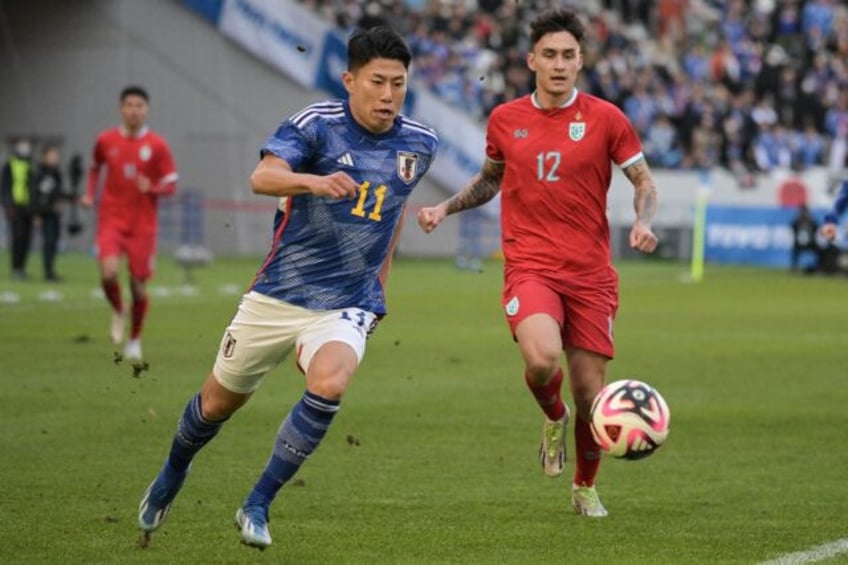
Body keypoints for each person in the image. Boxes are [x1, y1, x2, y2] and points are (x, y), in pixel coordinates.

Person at [137, 26, 438, 550]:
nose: (389, 95)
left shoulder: (420, 144)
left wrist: (379, 289)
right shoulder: (315, 126)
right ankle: (171, 473)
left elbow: (393, 213)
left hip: (346, 302)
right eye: (377, 83)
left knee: (331, 382)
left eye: (398, 84)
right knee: (214, 406)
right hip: (277, 295)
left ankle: (257, 503)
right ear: (349, 80)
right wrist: (314, 182)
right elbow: (263, 176)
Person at [417, 9, 659, 518]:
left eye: (568, 55)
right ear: (531, 61)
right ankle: (553, 416)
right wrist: (445, 206)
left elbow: (643, 180)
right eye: (549, 54)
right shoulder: (506, 119)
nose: (559, 64)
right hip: (531, 265)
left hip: (591, 274)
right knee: (543, 360)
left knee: (592, 394)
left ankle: (584, 487)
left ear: (580, 61)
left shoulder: (606, 118)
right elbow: (489, 180)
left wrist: (644, 221)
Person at [81, 86, 178, 360]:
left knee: (137, 286)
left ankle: (134, 339)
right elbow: (93, 167)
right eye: (129, 105)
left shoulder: (157, 146)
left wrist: (153, 188)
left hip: (143, 226)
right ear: (121, 109)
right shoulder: (106, 140)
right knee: (109, 273)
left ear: (146, 110)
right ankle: (118, 309)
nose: (134, 110)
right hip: (111, 219)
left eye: (139, 105)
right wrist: (90, 193)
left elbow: (170, 185)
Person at [1, 138, 35, 280]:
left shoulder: (30, 166)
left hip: (28, 208)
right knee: (17, 238)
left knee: (27, 239)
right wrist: (8, 205)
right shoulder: (9, 165)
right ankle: (15, 268)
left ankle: (22, 268)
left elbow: (33, 188)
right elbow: (5, 187)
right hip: (15, 207)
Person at [32, 145, 67, 281]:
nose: (54, 159)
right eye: (52, 156)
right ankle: (48, 272)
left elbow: (58, 192)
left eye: (56, 156)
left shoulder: (56, 173)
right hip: (44, 213)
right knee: (48, 241)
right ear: (45, 157)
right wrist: (36, 214)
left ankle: (51, 270)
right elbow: (35, 194)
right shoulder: (40, 173)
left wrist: (62, 202)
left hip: (54, 213)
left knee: (54, 242)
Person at [789, 204, 819, 273]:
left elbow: (816, 228)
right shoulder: (797, 221)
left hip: (811, 243)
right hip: (799, 244)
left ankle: (819, 266)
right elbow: (792, 228)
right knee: (795, 251)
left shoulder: (811, 221)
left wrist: (810, 219)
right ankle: (794, 268)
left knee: (819, 250)